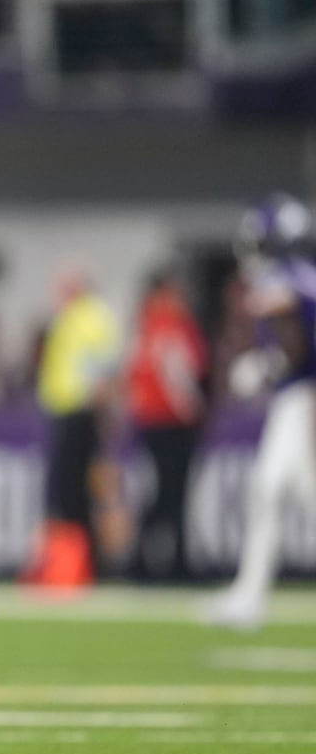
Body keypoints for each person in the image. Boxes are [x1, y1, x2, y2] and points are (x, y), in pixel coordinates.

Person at [203, 194, 316, 630]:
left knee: (293, 492)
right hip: (298, 397)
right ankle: (249, 596)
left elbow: (296, 346)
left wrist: (265, 367)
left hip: (303, 397)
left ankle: (249, 596)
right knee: (269, 490)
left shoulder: (284, 280)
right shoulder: (304, 277)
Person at [24, 265, 121, 587]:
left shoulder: (90, 318)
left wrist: (101, 415)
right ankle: (76, 565)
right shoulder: (75, 317)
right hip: (67, 413)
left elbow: (102, 372)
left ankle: (86, 566)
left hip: (80, 414)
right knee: (68, 494)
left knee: (76, 495)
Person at [125, 269, 209, 580]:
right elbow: (179, 376)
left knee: (164, 493)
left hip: (150, 420)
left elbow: (133, 375)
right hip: (171, 422)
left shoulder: (144, 326)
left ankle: (148, 559)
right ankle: (171, 561)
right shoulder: (171, 325)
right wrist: (194, 409)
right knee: (172, 494)